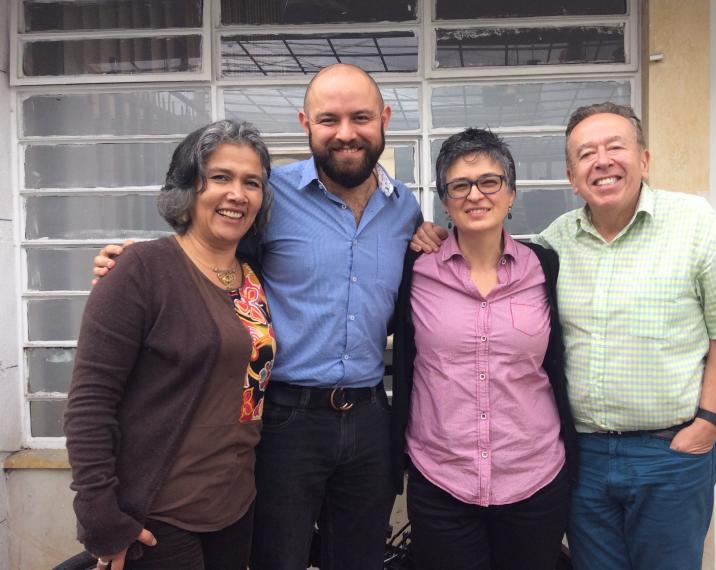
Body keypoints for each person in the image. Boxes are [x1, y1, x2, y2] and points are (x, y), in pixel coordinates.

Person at [92, 64, 422, 570]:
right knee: (277, 558)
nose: (346, 133)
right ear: (304, 122)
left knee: (360, 558)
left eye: (361, 117)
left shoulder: (406, 210)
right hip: (285, 418)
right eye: (328, 119)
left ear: (385, 118)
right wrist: (137, 262)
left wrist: (444, 239)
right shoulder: (269, 195)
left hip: (370, 415)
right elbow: (205, 252)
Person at [410, 102, 716, 570]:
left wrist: (708, 423)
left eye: (615, 147)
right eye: (586, 154)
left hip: (666, 453)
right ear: (572, 178)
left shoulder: (692, 223)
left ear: (645, 159)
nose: (603, 161)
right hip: (586, 458)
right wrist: (425, 235)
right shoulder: (555, 245)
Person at [65, 119, 276, 570]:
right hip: (159, 519)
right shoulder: (140, 269)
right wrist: (101, 519)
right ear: (187, 186)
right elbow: (89, 404)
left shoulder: (251, 278)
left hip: (234, 509)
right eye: (220, 177)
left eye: (251, 182)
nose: (237, 194)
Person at [390, 128, 577, 570]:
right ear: (445, 199)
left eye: (489, 182)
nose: (475, 195)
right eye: (459, 185)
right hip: (441, 479)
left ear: (511, 194)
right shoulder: (414, 269)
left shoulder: (544, 267)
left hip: (534, 478)